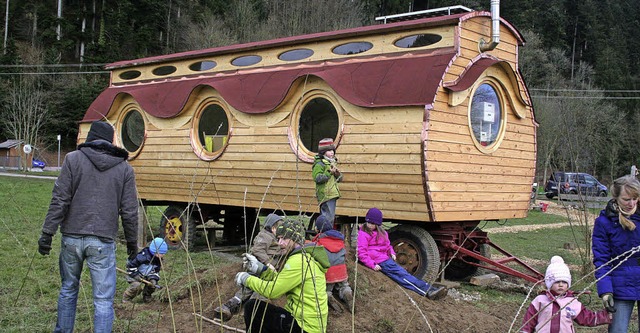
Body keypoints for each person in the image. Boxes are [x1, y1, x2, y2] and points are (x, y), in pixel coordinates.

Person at [37, 121, 138, 333]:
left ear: (90, 138)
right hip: (102, 240)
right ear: (111, 140)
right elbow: (129, 211)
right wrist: (132, 244)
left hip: (71, 238)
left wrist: (48, 233)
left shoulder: (72, 160)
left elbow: (60, 199)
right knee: (103, 300)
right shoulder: (124, 168)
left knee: (68, 290)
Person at [235, 218, 329, 333]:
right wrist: (261, 269)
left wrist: (246, 279)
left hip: (305, 326)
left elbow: (273, 291)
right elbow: (282, 281)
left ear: (295, 239)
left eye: (284, 238)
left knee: (253, 308)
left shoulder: (298, 261)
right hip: (308, 322)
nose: (280, 243)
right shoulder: (305, 257)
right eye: (278, 238)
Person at [357, 207, 447, 300]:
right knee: (403, 276)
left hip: (386, 259)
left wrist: (391, 253)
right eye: (368, 222)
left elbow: (388, 245)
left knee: (403, 273)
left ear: (377, 224)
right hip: (379, 261)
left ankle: (431, 289)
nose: (370, 225)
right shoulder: (363, 234)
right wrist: (372, 264)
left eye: (372, 223)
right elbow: (361, 252)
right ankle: (427, 291)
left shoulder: (382, 233)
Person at [213, 213, 286, 321]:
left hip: (265, 271)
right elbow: (257, 250)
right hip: (258, 268)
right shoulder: (265, 235)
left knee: (252, 289)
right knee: (257, 289)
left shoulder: (274, 238)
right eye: (278, 229)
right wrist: (268, 263)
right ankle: (234, 309)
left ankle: (236, 309)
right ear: (272, 227)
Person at [592, 175, 640, 332]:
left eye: (635, 198)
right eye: (626, 199)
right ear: (616, 198)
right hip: (621, 285)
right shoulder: (604, 222)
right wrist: (605, 290)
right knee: (617, 330)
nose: (631, 203)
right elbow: (602, 260)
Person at [520, 256, 611, 332]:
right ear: (549, 283)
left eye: (564, 282)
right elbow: (529, 321)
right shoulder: (540, 300)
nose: (560, 285)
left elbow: (586, 317)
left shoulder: (572, 302)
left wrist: (605, 316)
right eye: (557, 282)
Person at [312, 214, 353, 312]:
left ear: (318, 229)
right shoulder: (340, 240)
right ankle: (347, 293)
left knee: (326, 289)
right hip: (341, 270)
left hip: (329, 272)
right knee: (344, 286)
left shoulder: (319, 241)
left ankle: (328, 295)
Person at [123, 238, 168, 303]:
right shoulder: (142, 257)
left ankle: (147, 296)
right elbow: (130, 266)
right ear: (155, 251)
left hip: (146, 275)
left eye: (164, 253)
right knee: (137, 286)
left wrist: (152, 278)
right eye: (161, 253)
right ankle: (126, 298)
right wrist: (135, 275)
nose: (163, 255)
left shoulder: (158, 260)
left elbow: (155, 271)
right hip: (133, 274)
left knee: (152, 285)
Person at [312, 138, 342, 224]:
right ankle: (325, 235)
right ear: (323, 152)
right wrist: (329, 173)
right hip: (325, 195)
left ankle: (326, 234)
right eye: (329, 150)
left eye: (333, 150)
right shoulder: (319, 163)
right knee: (327, 219)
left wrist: (337, 174)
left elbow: (340, 179)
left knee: (330, 217)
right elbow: (317, 178)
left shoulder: (332, 162)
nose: (332, 152)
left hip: (332, 194)